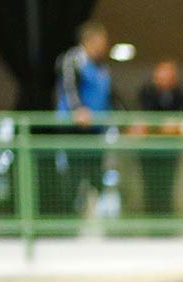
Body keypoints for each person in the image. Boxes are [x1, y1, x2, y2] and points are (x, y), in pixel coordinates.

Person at [53, 21, 114, 217]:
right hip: (74, 128)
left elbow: (111, 96)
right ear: (88, 40)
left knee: (97, 175)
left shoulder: (102, 67)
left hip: (96, 130)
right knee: (74, 175)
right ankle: (69, 221)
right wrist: (78, 109)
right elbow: (69, 87)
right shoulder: (73, 59)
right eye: (101, 42)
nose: (104, 47)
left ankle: (95, 217)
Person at [132, 60, 183, 219]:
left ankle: (166, 222)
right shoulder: (145, 92)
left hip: (170, 150)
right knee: (149, 186)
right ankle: (150, 221)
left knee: (166, 186)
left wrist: (176, 126)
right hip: (147, 151)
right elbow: (141, 120)